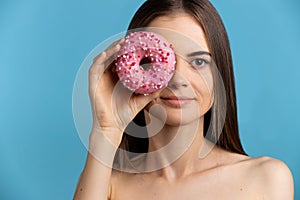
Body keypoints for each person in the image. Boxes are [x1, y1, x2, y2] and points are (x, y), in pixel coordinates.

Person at [73, 0, 294, 199]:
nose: (178, 80)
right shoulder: (107, 184)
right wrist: (106, 131)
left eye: (198, 62)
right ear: (129, 73)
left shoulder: (267, 178)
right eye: (156, 61)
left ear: (219, 77)